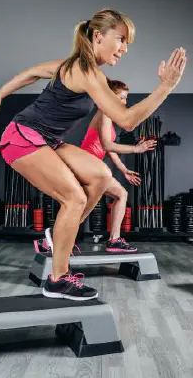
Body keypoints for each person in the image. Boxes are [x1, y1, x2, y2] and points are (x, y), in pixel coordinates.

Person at [0, 9, 187, 300]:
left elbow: (32, 73)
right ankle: (57, 279)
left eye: (127, 43)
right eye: (120, 40)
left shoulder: (78, 67)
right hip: (23, 138)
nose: (124, 49)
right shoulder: (87, 71)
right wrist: (166, 87)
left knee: (102, 176)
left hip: (49, 140)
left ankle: (58, 235)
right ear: (98, 36)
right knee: (74, 197)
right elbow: (126, 120)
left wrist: (1, 91)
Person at [34, 78, 157, 254]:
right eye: (121, 98)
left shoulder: (108, 116)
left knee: (116, 196)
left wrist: (123, 169)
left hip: (93, 168)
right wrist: (135, 149)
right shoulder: (104, 114)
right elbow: (108, 145)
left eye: (125, 98)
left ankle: (51, 241)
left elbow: (108, 149)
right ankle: (55, 239)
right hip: (86, 167)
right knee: (86, 205)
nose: (124, 102)